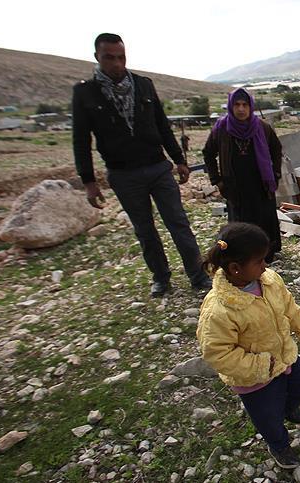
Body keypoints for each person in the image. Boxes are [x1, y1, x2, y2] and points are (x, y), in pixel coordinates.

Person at [72, 33, 211, 297]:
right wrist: (88, 182)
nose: (117, 63)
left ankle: (198, 275)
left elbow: (162, 125)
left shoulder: (143, 85)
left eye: (121, 57)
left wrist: (179, 160)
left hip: (157, 167)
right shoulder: (85, 93)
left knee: (178, 223)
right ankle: (161, 278)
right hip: (123, 174)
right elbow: (80, 140)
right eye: (109, 58)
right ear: (97, 57)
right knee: (145, 229)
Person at [196, 222, 300, 469]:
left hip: (283, 356)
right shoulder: (219, 309)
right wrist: (261, 365)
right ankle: (279, 446)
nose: (266, 265)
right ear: (235, 268)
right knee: (268, 417)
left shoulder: (269, 280)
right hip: (253, 377)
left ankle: (287, 408)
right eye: (260, 261)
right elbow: (217, 353)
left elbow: (288, 304)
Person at [203, 88, 283, 263]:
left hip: (261, 185)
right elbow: (208, 154)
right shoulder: (221, 128)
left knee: (264, 218)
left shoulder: (262, 127)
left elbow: (276, 149)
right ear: (230, 106)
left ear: (250, 106)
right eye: (237, 105)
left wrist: (276, 174)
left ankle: (266, 254)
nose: (241, 109)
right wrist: (217, 180)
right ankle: (244, 256)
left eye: (245, 105)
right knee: (240, 224)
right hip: (235, 186)